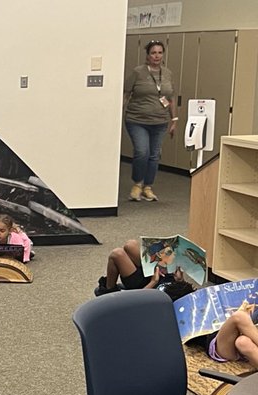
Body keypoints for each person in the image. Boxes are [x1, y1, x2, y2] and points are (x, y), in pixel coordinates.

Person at [124, 40, 178, 202]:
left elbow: (171, 97)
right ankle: (137, 184)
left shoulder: (167, 73)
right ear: (147, 55)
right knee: (142, 151)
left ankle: (148, 186)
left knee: (154, 155)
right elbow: (126, 93)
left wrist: (174, 119)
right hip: (137, 119)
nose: (157, 56)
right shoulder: (138, 72)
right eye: (153, 53)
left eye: (160, 53)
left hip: (160, 121)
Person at [94, 238, 192, 296]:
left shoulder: (165, 297)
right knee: (130, 245)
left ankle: (108, 290)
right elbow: (184, 290)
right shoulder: (179, 286)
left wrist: (154, 282)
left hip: (144, 285)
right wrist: (180, 280)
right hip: (159, 274)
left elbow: (140, 299)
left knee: (117, 254)